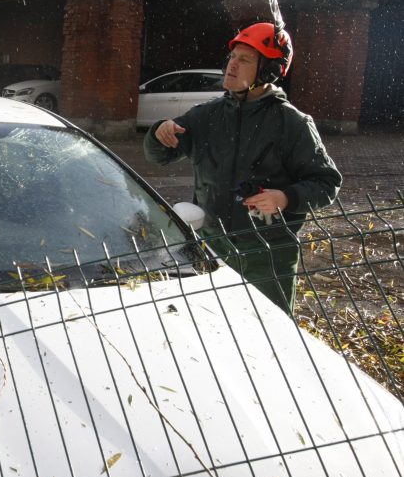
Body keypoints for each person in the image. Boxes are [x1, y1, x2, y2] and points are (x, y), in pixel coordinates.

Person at [143, 22, 342, 314]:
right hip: (211, 249)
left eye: (245, 60)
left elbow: (326, 183)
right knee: (211, 330)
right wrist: (159, 133)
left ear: (269, 70)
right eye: (232, 57)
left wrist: (285, 198)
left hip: (267, 256)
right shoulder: (206, 116)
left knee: (267, 337)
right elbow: (158, 156)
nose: (231, 66)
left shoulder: (293, 124)